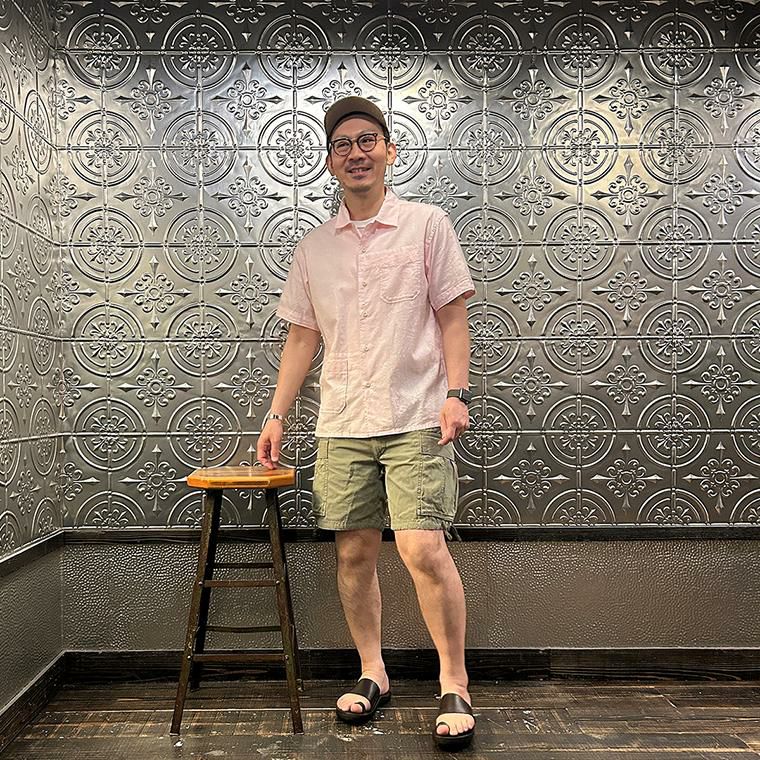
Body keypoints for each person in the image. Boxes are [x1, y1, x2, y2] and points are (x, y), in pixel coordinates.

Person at [256, 96, 476, 749]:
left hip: (416, 413)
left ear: (389, 151)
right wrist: (276, 415)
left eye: (368, 140)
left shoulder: (427, 224)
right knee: (353, 551)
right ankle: (373, 671)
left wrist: (457, 392)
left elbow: (453, 315)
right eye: (343, 144)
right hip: (342, 420)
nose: (356, 153)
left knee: (422, 548)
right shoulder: (314, 248)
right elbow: (302, 338)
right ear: (330, 161)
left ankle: (455, 680)